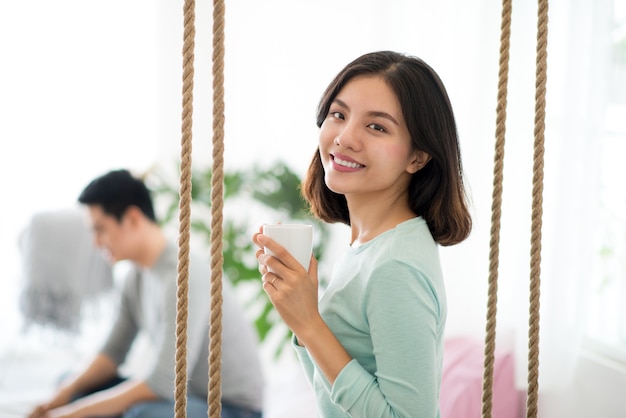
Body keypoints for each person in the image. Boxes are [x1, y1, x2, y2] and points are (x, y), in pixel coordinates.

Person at [253, 51, 472, 417]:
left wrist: (309, 322)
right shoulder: (370, 245)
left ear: (417, 157)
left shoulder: (395, 267)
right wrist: (301, 318)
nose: (344, 137)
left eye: (377, 127)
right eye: (339, 115)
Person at [29, 169, 264, 418]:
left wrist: (70, 414)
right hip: (182, 399)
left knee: (141, 414)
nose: (96, 243)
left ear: (132, 219)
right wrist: (62, 397)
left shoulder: (184, 273)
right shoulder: (136, 277)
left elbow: (162, 383)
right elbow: (112, 353)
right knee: (70, 382)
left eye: (100, 229)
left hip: (231, 409)